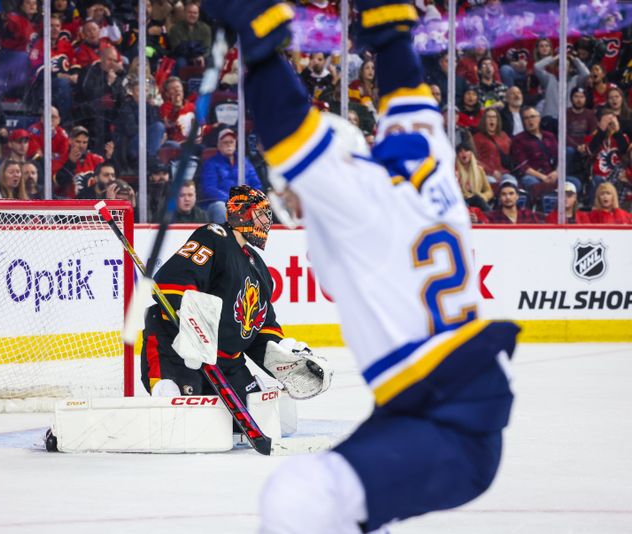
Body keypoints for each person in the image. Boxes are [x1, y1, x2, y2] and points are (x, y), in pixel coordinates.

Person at [202, 1, 520, 531]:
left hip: (446, 422)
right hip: (437, 406)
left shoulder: (358, 201)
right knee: (343, 508)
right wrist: (389, 30)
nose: (292, 198)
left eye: (295, 186)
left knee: (300, 495)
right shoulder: (428, 164)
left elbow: (286, 123)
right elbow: (405, 88)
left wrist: (257, 43)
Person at [140, 184, 327, 405]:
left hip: (227, 365)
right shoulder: (214, 236)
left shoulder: (258, 268)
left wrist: (283, 351)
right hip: (178, 353)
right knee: (179, 418)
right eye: (260, 215)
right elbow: (174, 280)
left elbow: (262, 326)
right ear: (242, 213)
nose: (266, 222)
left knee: (261, 411)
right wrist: (193, 318)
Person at [200, 128, 262, 223]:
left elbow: (256, 185)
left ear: (235, 144)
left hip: (245, 203)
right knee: (220, 207)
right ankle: (225, 237)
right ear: (218, 146)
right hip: (222, 203)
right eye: (225, 142)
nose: (229, 144)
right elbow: (209, 189)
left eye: (231, 142)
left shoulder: (244, 162)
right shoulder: (211, 164)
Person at [55, 125, 106, 198]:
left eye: (84, 142)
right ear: (70, 141)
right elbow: (57, 184)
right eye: (78, 141)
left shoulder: (97, 160)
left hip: (93, 204)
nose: (81, 146)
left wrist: (109, 159)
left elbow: (106, 183)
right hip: (69, 205)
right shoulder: (60, 160)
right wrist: (70, 162)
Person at [455, 142, 493, 212]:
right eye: (460, 151)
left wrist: (482, 196)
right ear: (457, 155)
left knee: (477, 199)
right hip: (461, 201)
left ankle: (490, 219)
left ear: (471, 153)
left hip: (478, 199)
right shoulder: (454, 171)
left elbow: (489, 191)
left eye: (466, 151)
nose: (464, 154)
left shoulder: (479, 170)